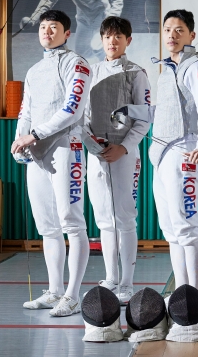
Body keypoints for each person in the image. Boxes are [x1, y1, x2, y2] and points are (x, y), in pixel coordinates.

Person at [12, 9, 91, 317]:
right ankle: (55, 290)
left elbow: (73, 108)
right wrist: (19, 141)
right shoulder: (34, 71)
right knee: (47, 226)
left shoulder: (76, 63)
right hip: (36, 152)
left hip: (66, 147)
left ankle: (73, 295)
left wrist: (35, 135)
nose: (47, 31)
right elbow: (26, 111)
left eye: (54, 27)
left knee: (71, 221)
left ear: (67, 33)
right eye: (43, 26)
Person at [149, 9, 198, 290]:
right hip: (162, 154)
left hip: (185, 151)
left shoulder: (197, 68)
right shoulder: (168, 69)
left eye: (179, 30)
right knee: (172, 231)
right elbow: (164, 112)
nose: (172, 35)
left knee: (187, 230)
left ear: (191, 35)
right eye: (168, 29)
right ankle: (181, 293)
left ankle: (194, 297)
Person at [84, 16, 151, 304]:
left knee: (124, 218)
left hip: (124, 155)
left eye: (118, 36)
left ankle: (126, 283)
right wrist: (92, 143)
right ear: (101, 40)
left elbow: (144, 117)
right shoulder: (92, 72)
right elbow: (83, 116)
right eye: (108, 36)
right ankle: (111, 278)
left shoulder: (136, 73)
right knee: (103, 219)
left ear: (128, 41)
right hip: (96, 154)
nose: (113, 41)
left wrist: (123, 148)